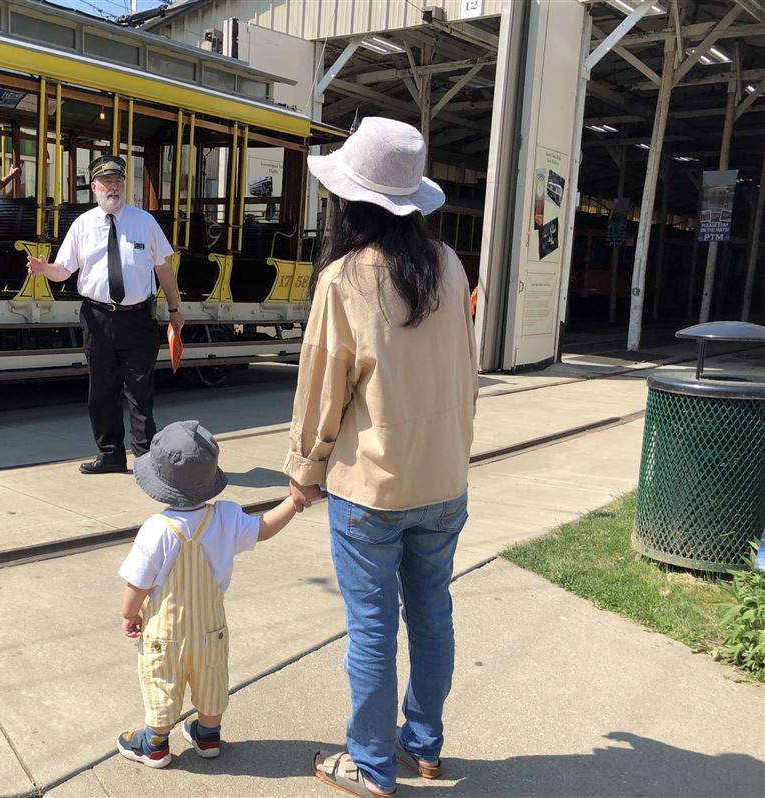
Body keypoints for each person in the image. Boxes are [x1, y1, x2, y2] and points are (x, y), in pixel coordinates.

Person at [283, 117, 478, 798]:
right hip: (444, 479)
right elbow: (467, 373)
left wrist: (304, 472)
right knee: (433, 617)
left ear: (351, 200)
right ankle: (422, 747)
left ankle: (368, 765)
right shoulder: (449, 267)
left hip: (371, 489)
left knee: (371, 630)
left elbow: (321, 389)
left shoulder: (344, 278)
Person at [116, 420, 302, 768]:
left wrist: (130, 614)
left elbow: (138, 583)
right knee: (211, 677)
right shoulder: (227, 518)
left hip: (165, 632)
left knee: (162, 679)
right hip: (210, 628)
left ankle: (154, 744)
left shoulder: (156, 529)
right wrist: (292, 502)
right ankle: (208, 735)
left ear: (159, 485)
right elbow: (263, 529)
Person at [26, 154, 184, 474]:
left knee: (140, 393)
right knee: (102, 392)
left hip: (138, 317)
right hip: (97, 318)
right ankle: (111, 454)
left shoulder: (144, 222)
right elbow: (64, 269)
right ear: (94, 187)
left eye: (118, 181)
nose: (113, 187)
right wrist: (45, 270)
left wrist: (175, 309)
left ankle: (145, 460)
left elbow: (164, 269)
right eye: (106, 182)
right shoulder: (83, 225)